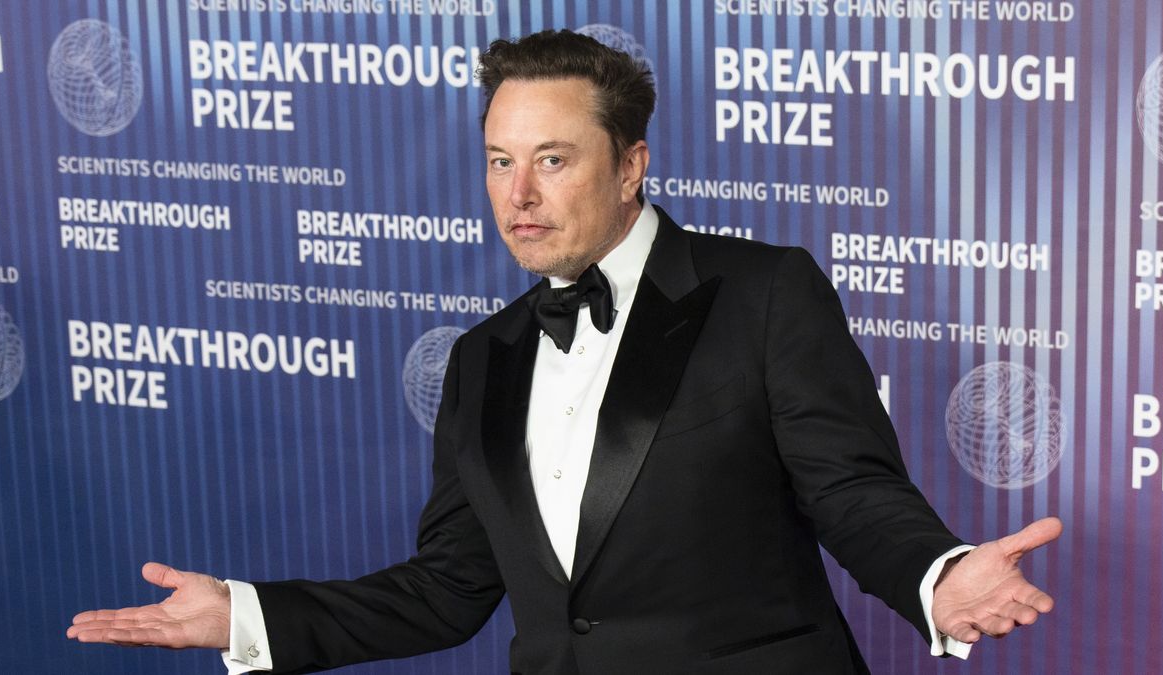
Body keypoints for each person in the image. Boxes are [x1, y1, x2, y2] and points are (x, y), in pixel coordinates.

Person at [67, 29, 1062, 674]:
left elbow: (850, 491)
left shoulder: (761, 294)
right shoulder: (482, 359)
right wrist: (247, 615)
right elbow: (451, 588)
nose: (518, 195)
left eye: (552, 159)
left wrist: (939, 573)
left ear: (631, 166)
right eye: (501, 161)